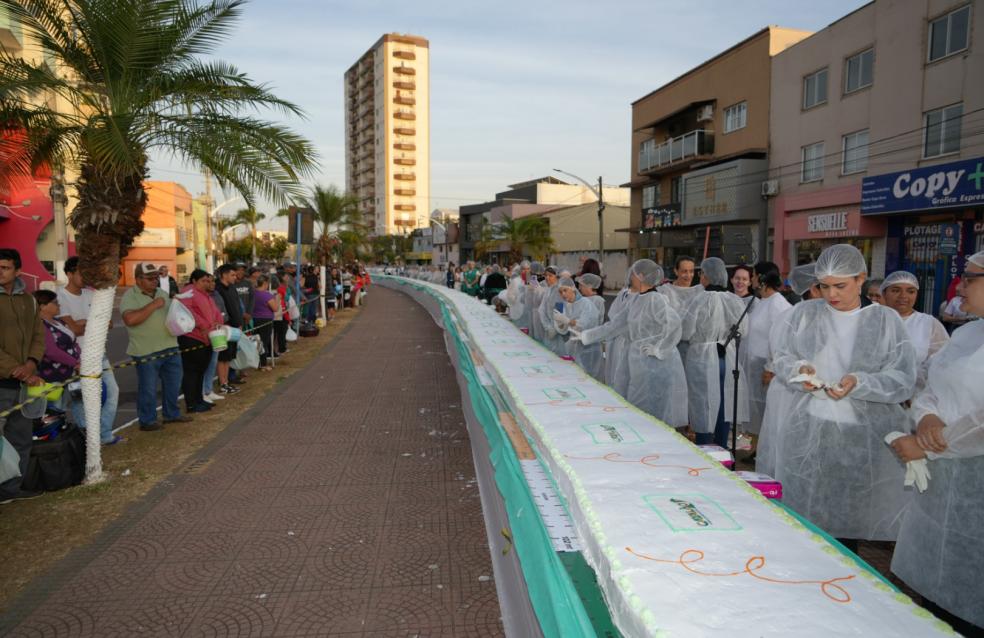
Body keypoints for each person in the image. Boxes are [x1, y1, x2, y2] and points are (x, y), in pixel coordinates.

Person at [766, 244, 916, 548]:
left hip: (860, 437)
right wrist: (800, 370)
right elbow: (781, 357)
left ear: (861, 279)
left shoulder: (886, 321)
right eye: (824, 286)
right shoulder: (805, 314)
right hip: (807, 429)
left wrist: (858, 382)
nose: (831, 294)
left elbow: (902, 380)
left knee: (848, 520)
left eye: (840, 286)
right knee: (804, 516)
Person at [888, 250, 984, 636]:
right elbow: (930, 383)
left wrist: (928, 445)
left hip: (973, 477)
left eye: (971, 278)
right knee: (942, 590)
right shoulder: (966, 333)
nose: (960, 286)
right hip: (947, 483)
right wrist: (925, 415)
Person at [580, 260, 687, 425]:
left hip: (654, 365)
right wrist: (586, 336)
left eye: (633, 274)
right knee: (636, 405)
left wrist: (659, 349)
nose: (631, 278)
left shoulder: (656, 299)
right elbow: (615, 325)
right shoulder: (635, 300)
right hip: (637, 362)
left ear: (641, 277)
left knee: (651, 411)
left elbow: (674, 325)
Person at [756, 264, 820, 479]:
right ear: (813, 289)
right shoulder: (791, 317)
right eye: (825, 287)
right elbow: (778, 353)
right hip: (787, 393)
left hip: (814, 398)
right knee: (783, 447)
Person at [679, 257, 749, 448]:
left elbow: (686, 332)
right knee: (725, 402)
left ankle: (705, 447)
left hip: (702, 357)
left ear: (706, 276)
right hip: (726, 355)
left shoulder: (698, 300)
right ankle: (722, 448)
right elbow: (744, 329)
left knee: (704, 403)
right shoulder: (734, 299)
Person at [57, 256, 120, 445]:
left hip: (98, 353)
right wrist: (92, 322)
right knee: (80, 400)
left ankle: (105, 434)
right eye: (80, 272)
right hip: (76, 358)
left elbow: (108, 323)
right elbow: (73, 330)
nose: (85, 276)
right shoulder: (60, 296)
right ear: (69, 274)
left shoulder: (91, 294)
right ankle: (89, 439)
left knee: (112, 391)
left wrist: (84, 322)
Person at [120, 263, 191, 431]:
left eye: (156, 278)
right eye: (150, 278)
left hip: (170, 346)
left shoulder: (161, 293)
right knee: (149, 389)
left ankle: (171, 414)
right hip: (146, 351)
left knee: (174, 384)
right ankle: (147, 420)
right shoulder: (130, 296)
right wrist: (153, 305)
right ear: (138, 279)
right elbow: (130, 320)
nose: (154, 281)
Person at [0, 249, 45, 504]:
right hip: (4, 381)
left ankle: (11, 491)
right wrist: (16, 368)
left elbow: (39, 336)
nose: (0, 272)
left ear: (18, 271)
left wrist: (30, 364)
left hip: (24, 383)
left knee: (21, 437)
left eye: (5, 267)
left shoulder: (29, 300)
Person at [880, 271, 948, 398]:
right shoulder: (872, 321)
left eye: (911, 291)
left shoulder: (929, 324)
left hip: (915, 398)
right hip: (874, 395)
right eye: (896, 290)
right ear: (884, 293)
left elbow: (941, 363)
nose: (903, 296)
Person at [742, 269, 792, 437]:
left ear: (762, 280)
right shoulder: (763, 301)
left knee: (766, 408)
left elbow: (781, 338)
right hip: (755, 362)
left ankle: (762, 447)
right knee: (757, 407)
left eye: (755, 275)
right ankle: (756, 446)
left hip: (766, 365)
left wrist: (771, 367)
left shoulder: (778, 304)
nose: (752, 279)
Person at [178, 270, 223, 413]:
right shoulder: (188, 293)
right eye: (204, 281)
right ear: (194, 281)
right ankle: (191, 404)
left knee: (201, 371)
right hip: (192, 338)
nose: (207, 284)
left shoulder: (206, 295)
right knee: (192, 372)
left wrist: (218, 322)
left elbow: (215, 311)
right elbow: (187, 313)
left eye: (208, 281)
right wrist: (203, 325)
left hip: (207, 338)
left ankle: (199, 399)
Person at [33, 290, 81, 404]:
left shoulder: (59, 322)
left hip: (68, 373)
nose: (58, 305)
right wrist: (75, 363)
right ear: (43, 306)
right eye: (55, 302)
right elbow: (51, 351)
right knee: (53, 409)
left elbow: (73, 342)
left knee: (63, 407)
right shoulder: (41, 325)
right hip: (52, 375)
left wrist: (79, 357)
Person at [559, 274, 604, 381]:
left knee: (589, 379)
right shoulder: (573, 303)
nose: (563, 294)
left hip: (589, 346)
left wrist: (567, 321)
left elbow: (586, 324)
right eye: (561, 292)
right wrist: (562, 324)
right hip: (576, 344)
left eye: (565, 290)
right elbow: (568, 327)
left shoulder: (589, 303)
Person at [214, 264, 244, 394]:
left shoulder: (232, 288)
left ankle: (226, 381)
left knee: (229, 356)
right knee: (223, 357)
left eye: (235, 275)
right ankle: (223, 383)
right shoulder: (217, 289)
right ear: (224, 275)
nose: (235, 277)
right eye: (232, 275)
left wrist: (240, 322)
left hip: (235, 327)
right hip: (224, 327)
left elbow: (237, 305)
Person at [252, 275, 280, 370]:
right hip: (265, 320)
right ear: (265, 283)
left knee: (256, 341)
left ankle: (258, 362)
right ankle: (263, 364)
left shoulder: (253, 293)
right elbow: (275, 308)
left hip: (255, 319)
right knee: (264, 342)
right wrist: (276, 298)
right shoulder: (267, 295)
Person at [537, 266, 566, 355]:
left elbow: (559, 312)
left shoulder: (559, 291)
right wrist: (548, 326)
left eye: (550, 275)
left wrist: (555, 328)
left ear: (556, 277)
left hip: (557, 331)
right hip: (549, 327)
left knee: (557, 355)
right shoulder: (549, 289)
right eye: (546, 275)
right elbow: (542, 309)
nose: (547, 278)